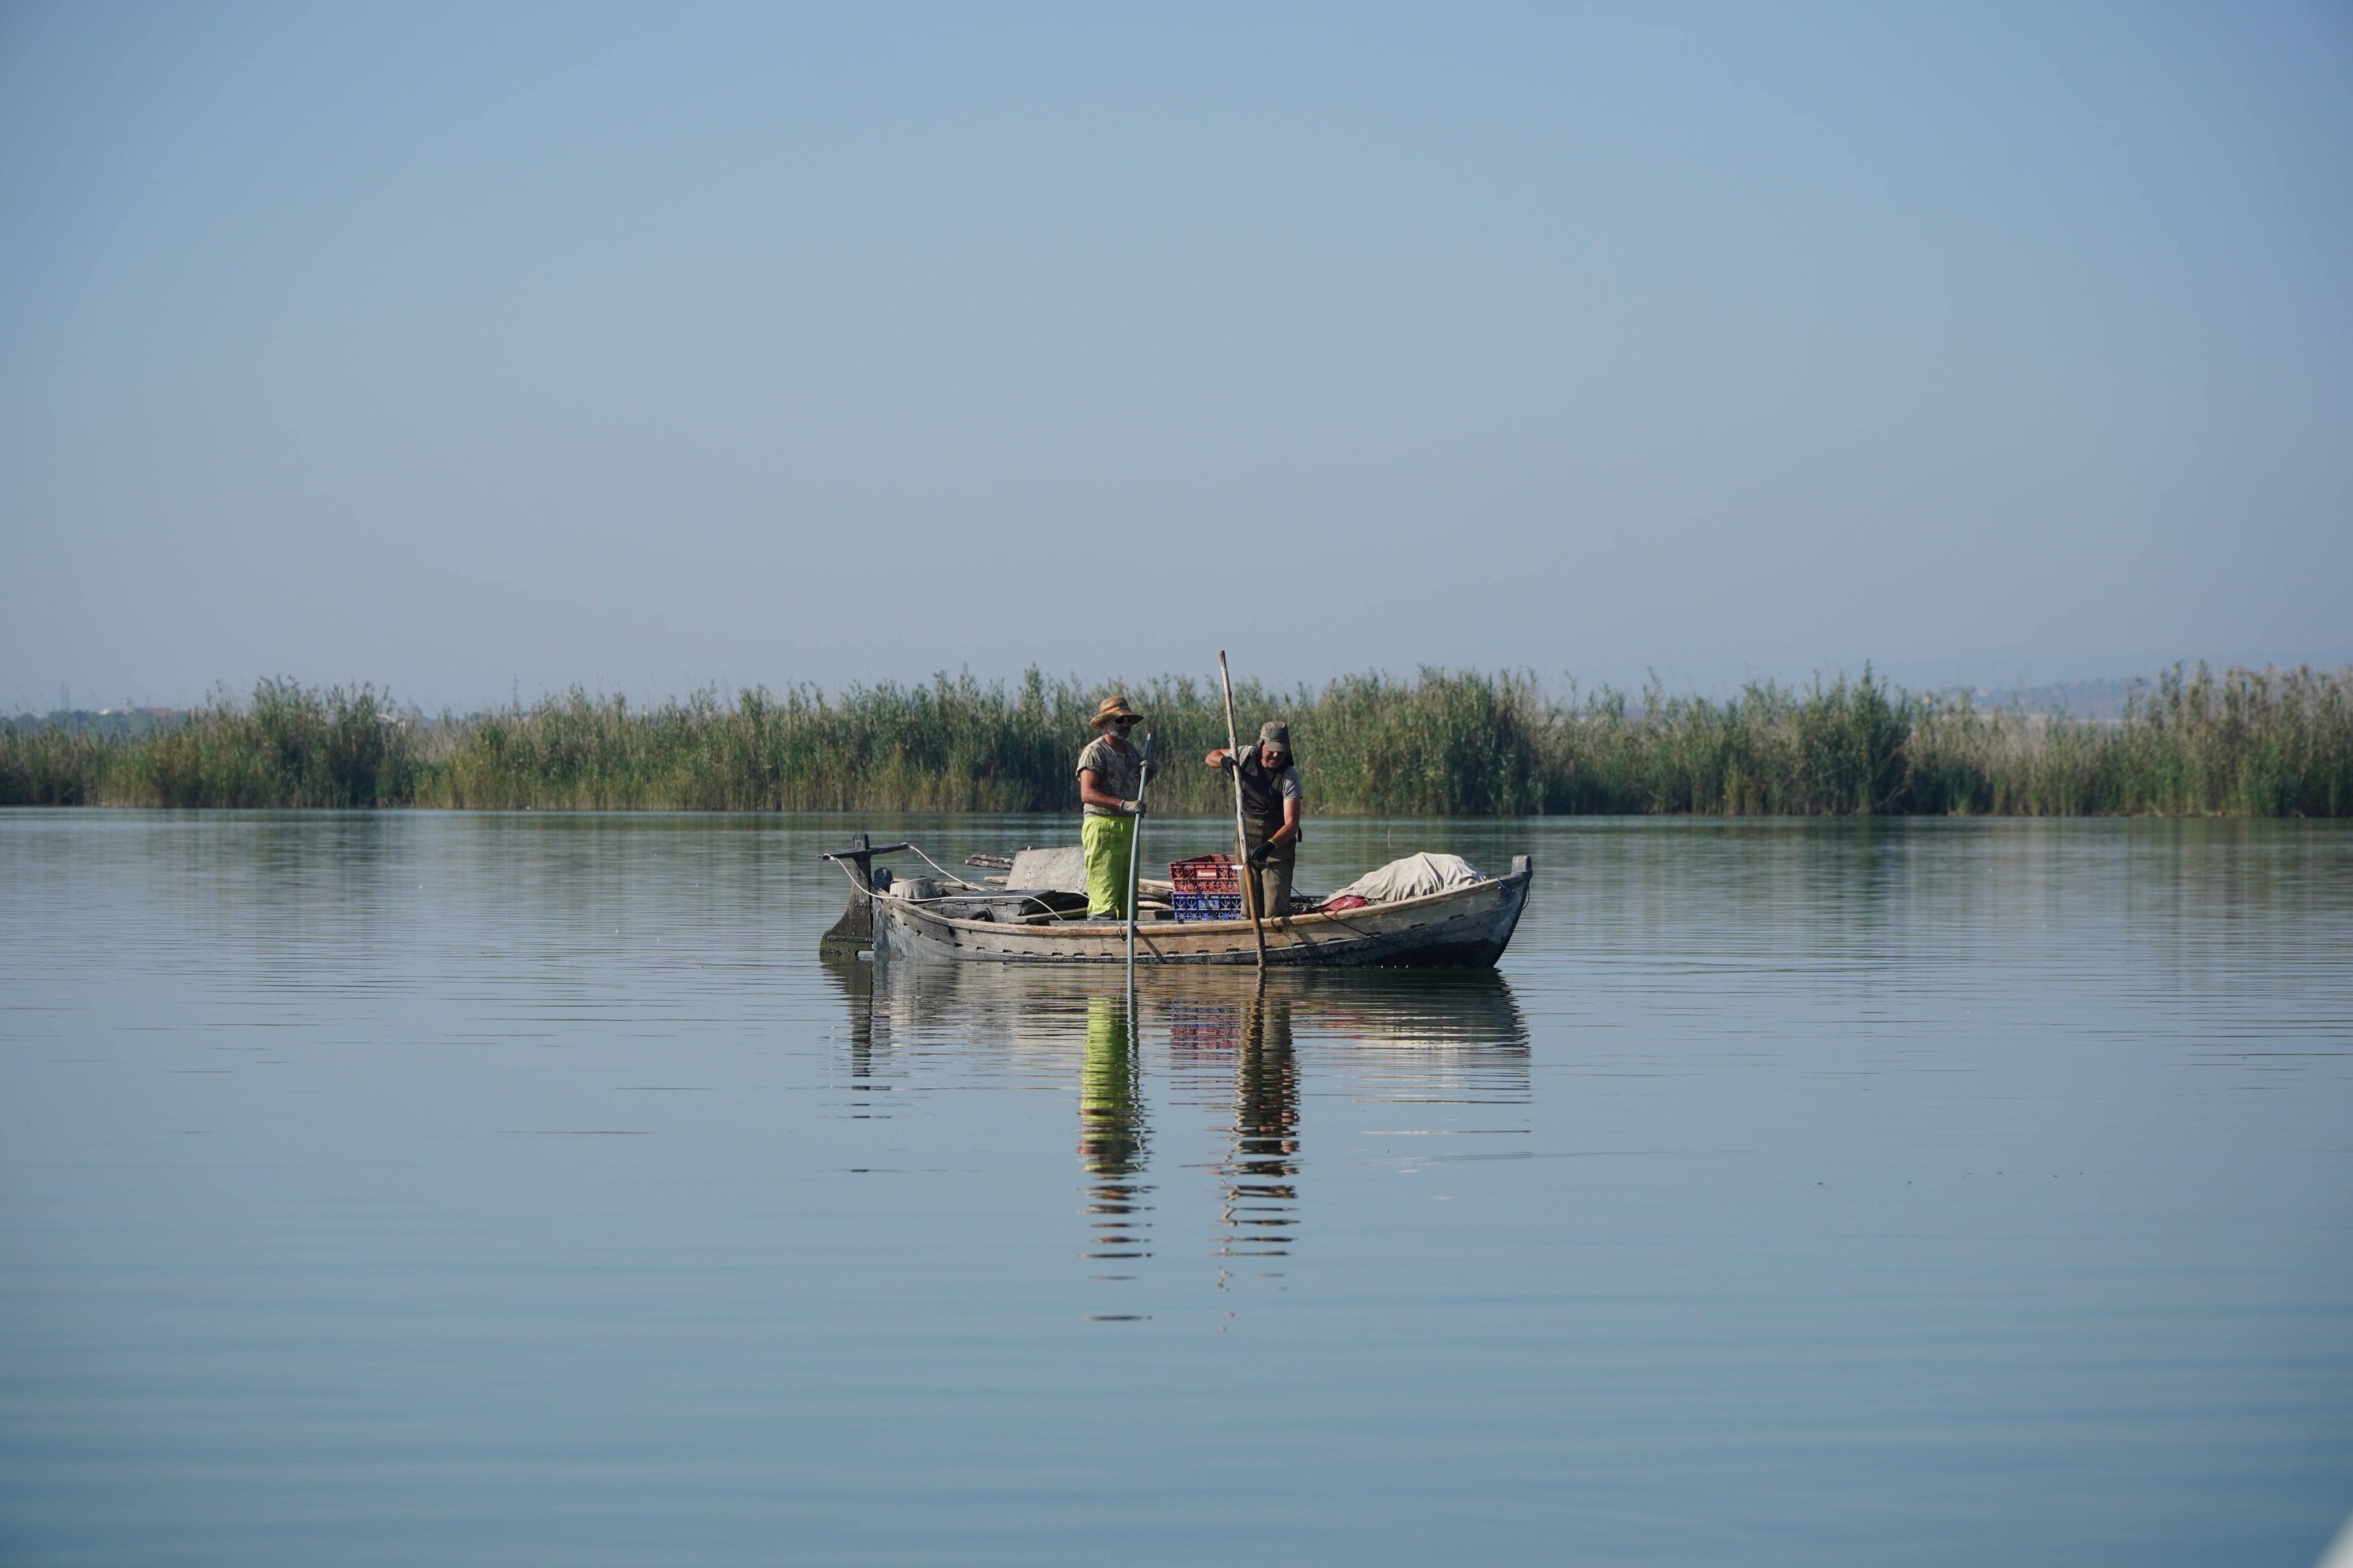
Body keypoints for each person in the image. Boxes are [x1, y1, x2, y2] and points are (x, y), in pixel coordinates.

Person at [1205, 719, 1302, 918]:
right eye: (1272, 750)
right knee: (1250, 910)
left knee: (1275, 912)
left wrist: (1269, 845)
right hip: (1245, 845)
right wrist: (1224, 761)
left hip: (1277, 851)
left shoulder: (1289, 776)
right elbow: (1211, 757)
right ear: (1262, 744)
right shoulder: (1245, 755)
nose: (1276, 755)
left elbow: (1292, 824)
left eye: (1281, 751)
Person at [1076, 695, 1148, 921]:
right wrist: (1123, 805)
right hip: (1102, 826)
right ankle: (1101, 933)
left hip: (1129, 827)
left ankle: (1129, 935)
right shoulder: (1095, 751)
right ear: (1105, 724)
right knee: (1104, 887)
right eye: (1119, 721)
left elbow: (1133, 786)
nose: (1126, 725)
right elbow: (1087, 794)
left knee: (1128, 890)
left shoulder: (1132, 750)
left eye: (1128, 721)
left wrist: (1148, 774)